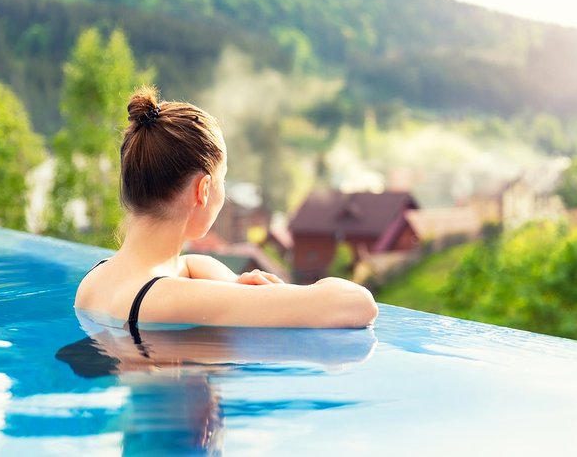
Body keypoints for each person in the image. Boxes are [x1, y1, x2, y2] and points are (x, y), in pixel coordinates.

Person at [75, 86, 378, 331]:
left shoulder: (95, 280)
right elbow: (357, 305)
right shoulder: (168, 298)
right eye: (223, 180)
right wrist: (248, 294)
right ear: (203, 190)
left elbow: (188, 265)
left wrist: (234, 284)